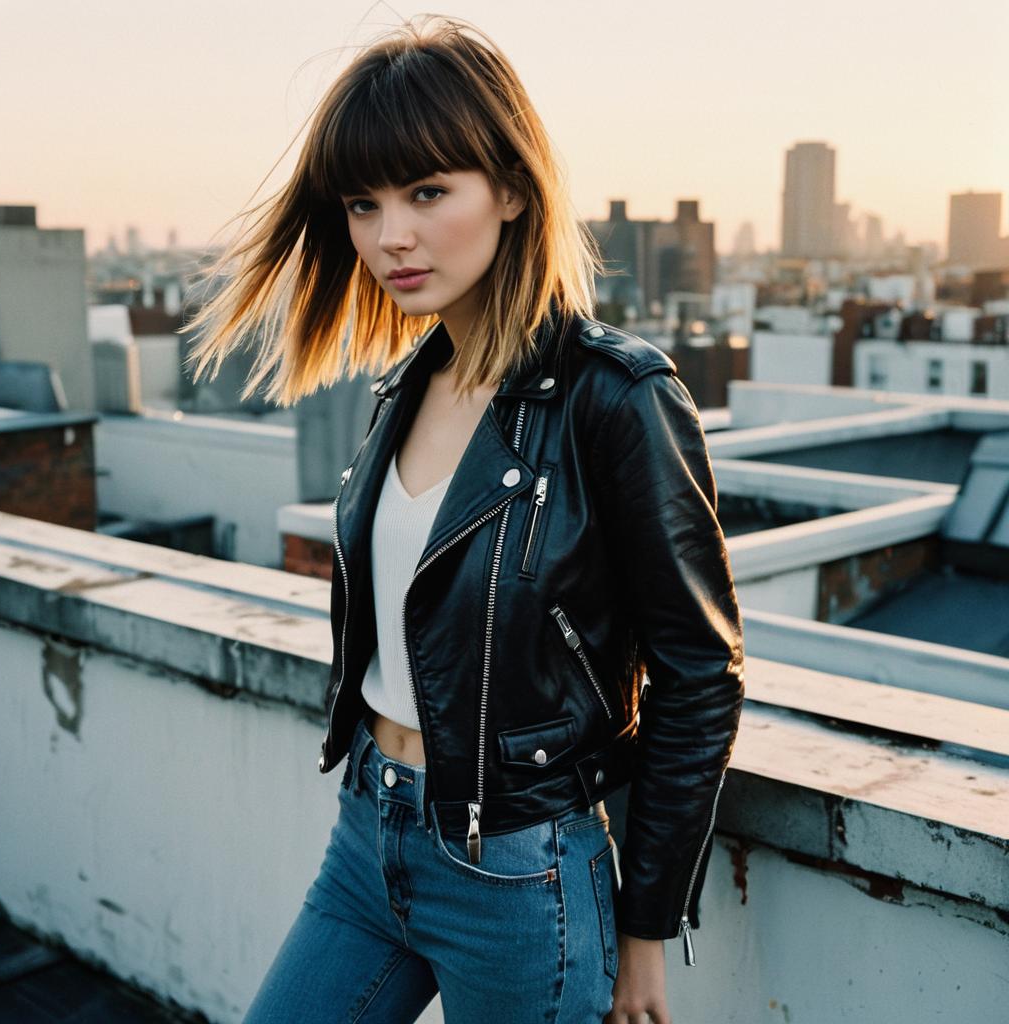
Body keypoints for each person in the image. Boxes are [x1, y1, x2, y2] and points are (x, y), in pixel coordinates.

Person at [185, 15, 744, 1024]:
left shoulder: (617, 397)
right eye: (364, 203)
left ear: (513, 190)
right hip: (369, 834)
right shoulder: (404, 385)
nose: (390, 235)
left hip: (520, 875)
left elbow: (699, 675)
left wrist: (646, 931)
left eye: (427, 191)